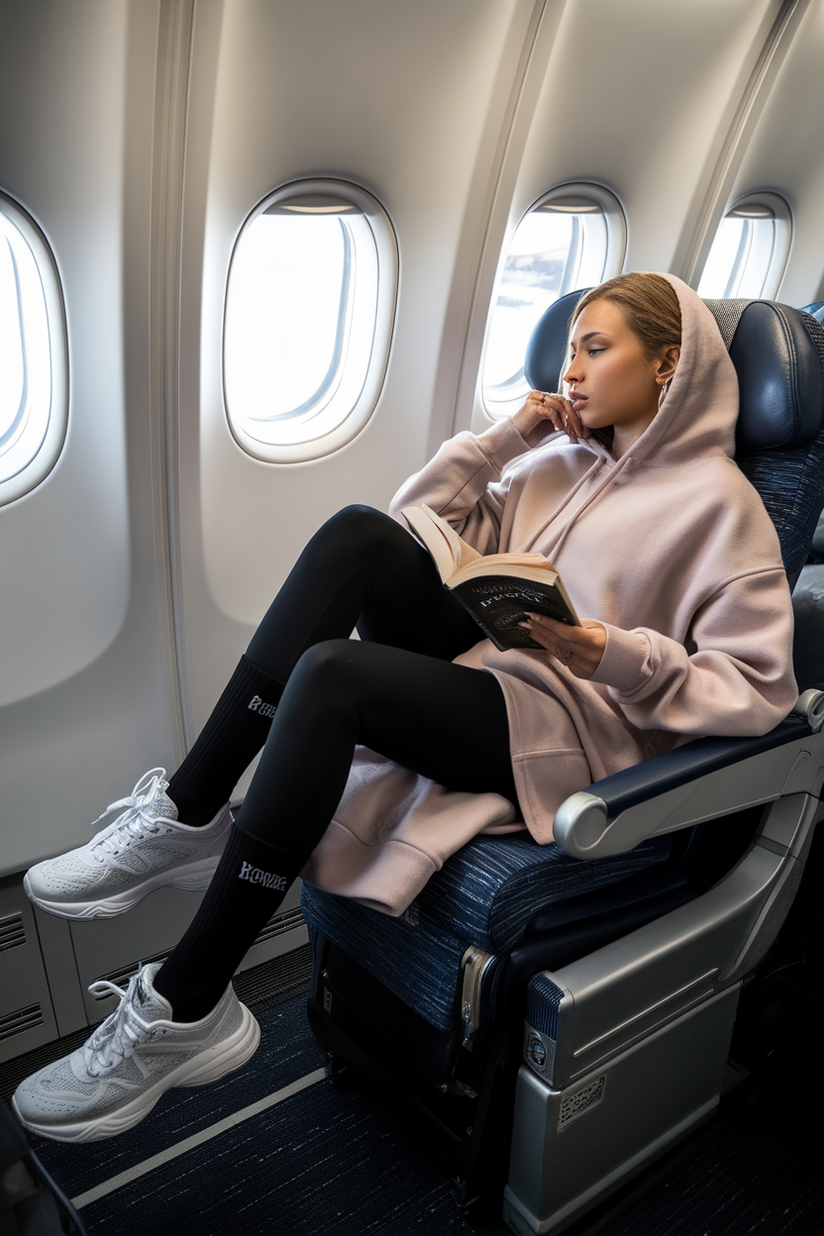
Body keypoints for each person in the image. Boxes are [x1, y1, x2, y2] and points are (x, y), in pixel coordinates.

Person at [12, 273, 796, 1143]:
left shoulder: (726, 509)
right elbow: (413, 521)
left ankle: (188, 998)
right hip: (484, 671)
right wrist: (508, 438)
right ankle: (188, 811)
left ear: (667, 364)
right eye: (568, 350)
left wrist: (604, 650)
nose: (570, 371)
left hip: (569, 729)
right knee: (358, 533)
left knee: (331, 675)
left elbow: (759, 691)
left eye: (594, 349)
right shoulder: (557, 461)